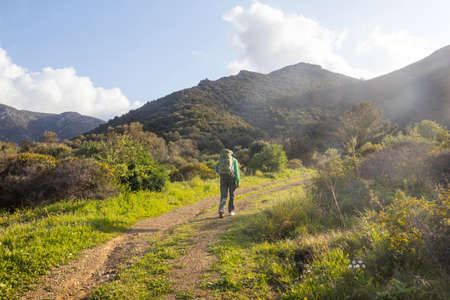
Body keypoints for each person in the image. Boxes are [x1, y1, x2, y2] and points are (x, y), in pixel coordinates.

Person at [215, 148, 240, 218]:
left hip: (222, 179)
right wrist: (238, 181)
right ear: (231, 154)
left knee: (223, 195)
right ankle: (231, 211)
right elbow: (237, 172)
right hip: (232, 179)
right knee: (232, 195)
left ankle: (221, 210)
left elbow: (216, 169)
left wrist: (221, 175)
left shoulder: (220, 160)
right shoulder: (234, 160)